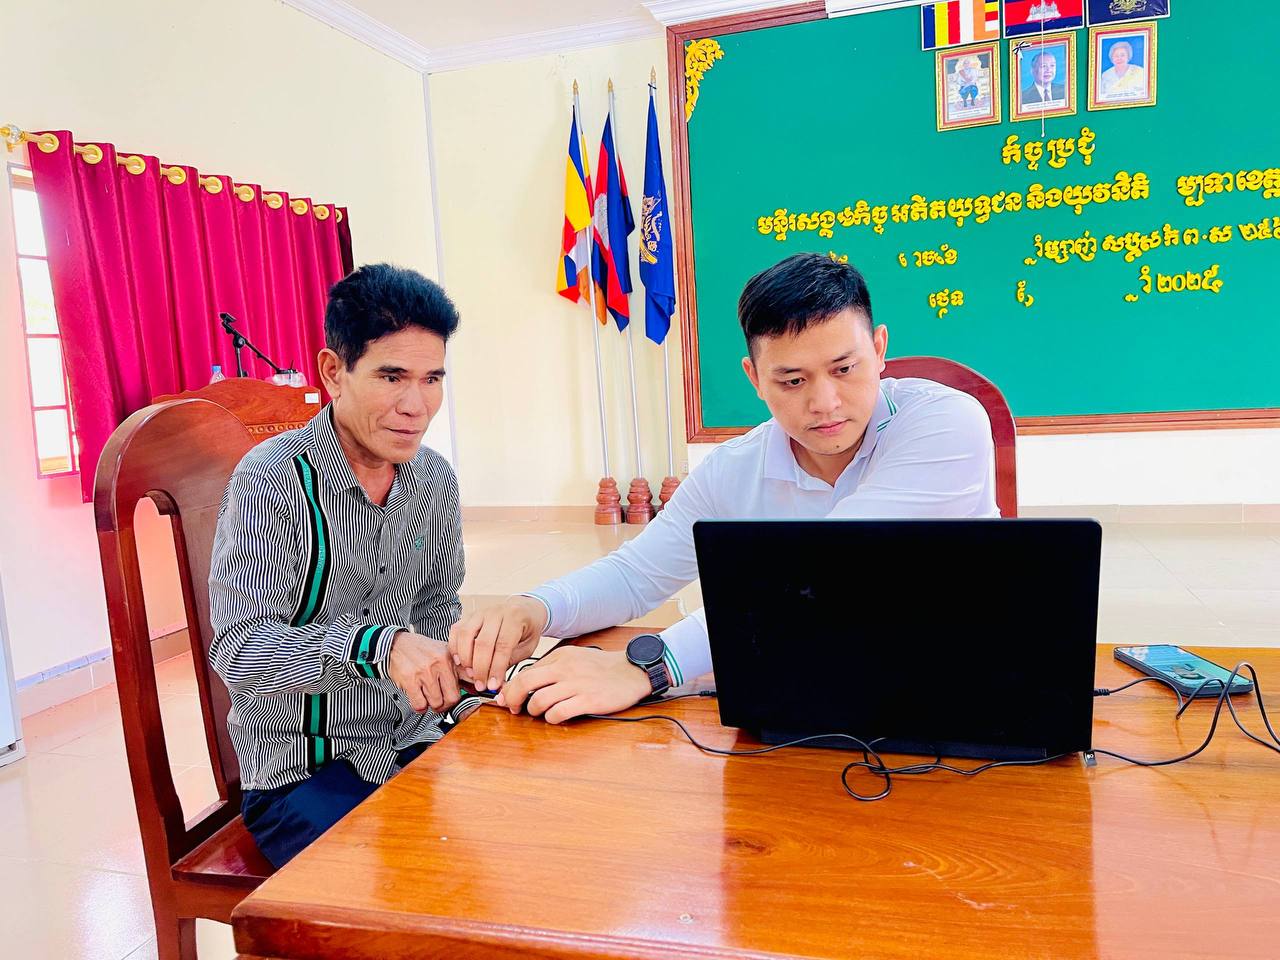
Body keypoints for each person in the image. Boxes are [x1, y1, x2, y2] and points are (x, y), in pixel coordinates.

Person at [448, 253, 998, 726]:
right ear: (754, 378)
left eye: (844, 368)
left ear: (879, 350)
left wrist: (650, 666)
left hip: (957, 688)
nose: (825, 402)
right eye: (792, 380)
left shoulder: (945, 423)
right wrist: (536, 608)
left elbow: (834, 568)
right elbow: (638, 574)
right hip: (801, 694)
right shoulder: (734, 467)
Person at [208, 263, 466, 867]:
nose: (416, 406)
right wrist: (375, 646)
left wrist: (468, 663)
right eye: (391, 377)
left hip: (415, 739)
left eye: (432, 379)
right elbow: (239, 652)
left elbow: (438, 607)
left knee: (529, 833)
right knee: (409, 889)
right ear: (332, 372)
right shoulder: (273, 480)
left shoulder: (434, 481)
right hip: (304, 771)